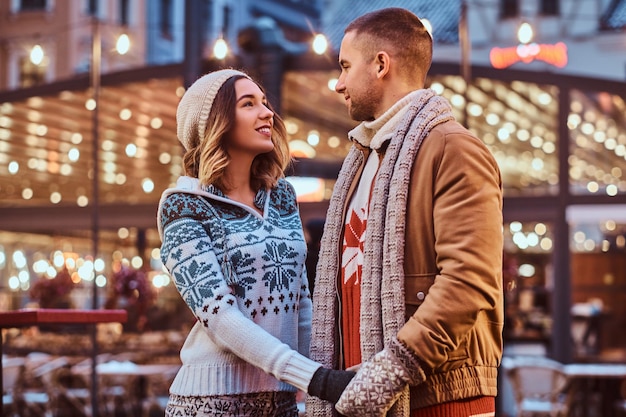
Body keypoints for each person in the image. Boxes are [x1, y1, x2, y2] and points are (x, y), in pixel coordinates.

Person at [306, 8, 504, 417]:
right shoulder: (363, 159)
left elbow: (468, 281)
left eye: (345, 66)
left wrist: (388, 372)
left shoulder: (453, 148)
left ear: (381, 64)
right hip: (361, 395)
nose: (339, 83)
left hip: (440, 397)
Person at [157, 69, 354, 417]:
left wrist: (330, 373)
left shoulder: (281, 197)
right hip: (209, 405)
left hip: (280, 404)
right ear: (215, 124)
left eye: (264, 102)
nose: (268, 113)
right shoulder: (182, 206)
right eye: (249, 104)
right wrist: (317, 379)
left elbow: (300, 302)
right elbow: (219, 316)